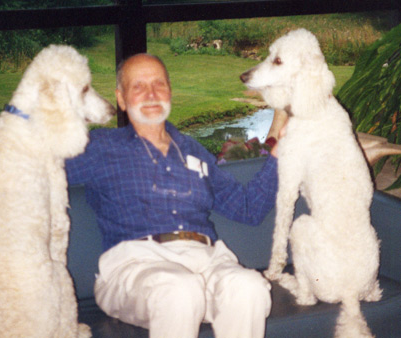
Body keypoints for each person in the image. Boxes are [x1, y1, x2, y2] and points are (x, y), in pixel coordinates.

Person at [65, 53, 279, 338]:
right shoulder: (99, 148)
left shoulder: (193, 150)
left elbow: (247, 209)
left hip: (206, 259)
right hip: (135, 265)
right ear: (121, 98)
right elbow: (33, 167)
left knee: (248, 288)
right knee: (179, 290)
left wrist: (279, 157)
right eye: (138, 86)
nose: (151, 94)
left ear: (170, 91)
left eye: (159, 84)